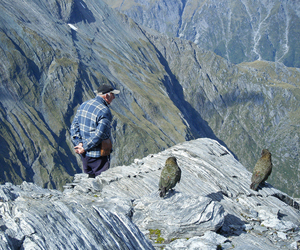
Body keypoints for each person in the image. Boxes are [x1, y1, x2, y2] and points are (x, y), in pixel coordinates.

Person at [70, 84, 120, 178]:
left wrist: (79, 144)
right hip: (98, 156)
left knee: (89, 180)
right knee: (101, 181)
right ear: (107, 96)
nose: (114, 97)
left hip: (84, 155)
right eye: (113, 95)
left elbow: (74, 126)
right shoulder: (104, 111)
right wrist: (84, 147)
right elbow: (99, 135)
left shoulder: (84, 105)